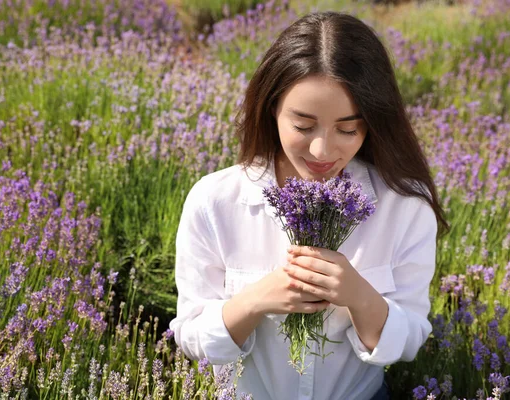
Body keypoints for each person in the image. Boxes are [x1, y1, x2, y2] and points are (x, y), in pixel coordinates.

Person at [169, 10, 449, 400]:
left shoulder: (403, 207)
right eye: (303, 126)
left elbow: (409, 340)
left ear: (372, 122)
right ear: (272, 108)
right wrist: (256, 300)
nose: (322, 149)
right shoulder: (215, 201)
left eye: (347, 129)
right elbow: (191, 337)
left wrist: (358, 296)